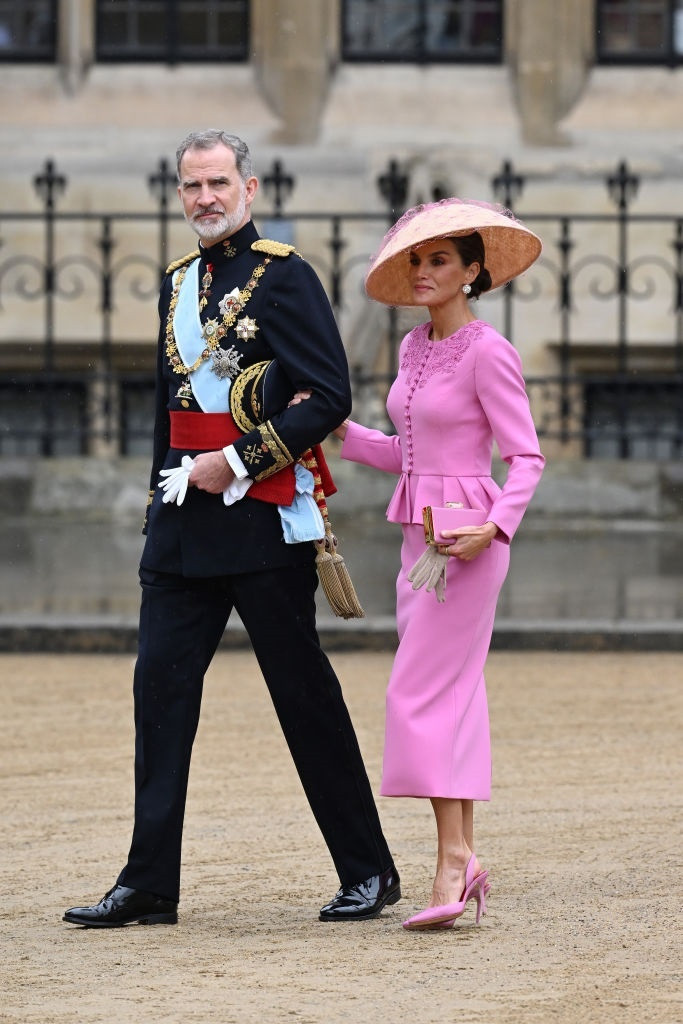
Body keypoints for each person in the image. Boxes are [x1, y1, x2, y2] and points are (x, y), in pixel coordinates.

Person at [63, 129, 399, 928]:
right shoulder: (178, 282)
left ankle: (368, 871)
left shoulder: (286, 279)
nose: (204, 199)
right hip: (180, 528)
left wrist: (240, 462)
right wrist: (159, 502)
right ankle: (149, 883)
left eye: (218, 183)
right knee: (160, 698)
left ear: (248, 188)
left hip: (258, 518)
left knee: (302, 697)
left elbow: (328, 395)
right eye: (191, 186)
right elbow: (166, 412)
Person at [333, 198, 544, 930]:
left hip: (470, 545)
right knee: (451, 697)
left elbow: (525, 457)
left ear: (472, 273)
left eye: (439, 261)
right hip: (416, 541)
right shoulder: (412, 349)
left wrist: (495, 526)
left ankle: (452, 862)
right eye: (416, 261)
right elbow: (410, 454)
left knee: (416, 694)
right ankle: (462, 858)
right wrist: (340, 431)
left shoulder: (490, 351)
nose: (423, 272)